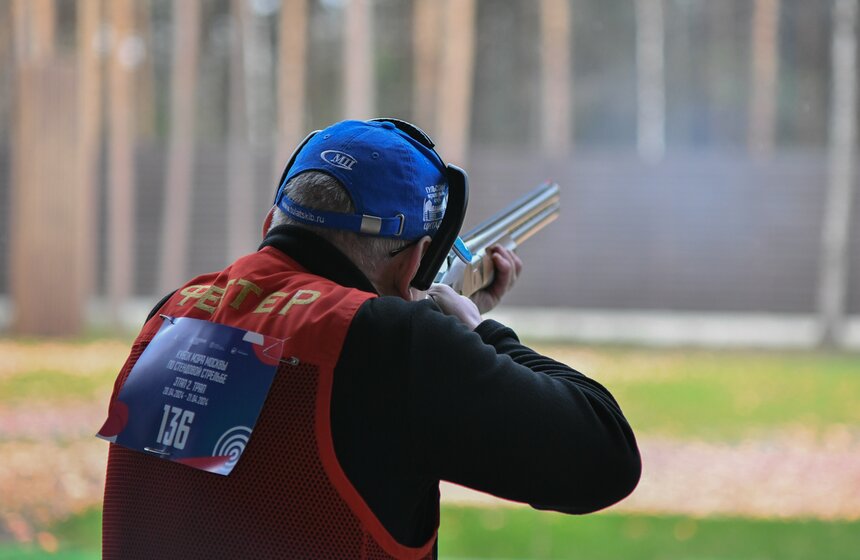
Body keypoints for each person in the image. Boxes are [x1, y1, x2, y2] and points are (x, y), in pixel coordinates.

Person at [99, 118, 640, 559]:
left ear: (272, 223)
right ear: (410, 264)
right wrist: (480, 332)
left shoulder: (174, 314)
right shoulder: (393, 343)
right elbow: (606, 456)